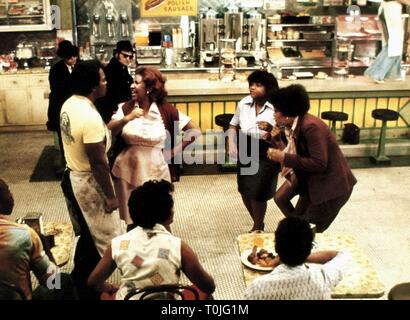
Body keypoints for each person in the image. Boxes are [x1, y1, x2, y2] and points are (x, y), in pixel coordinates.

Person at [59, 60, 125, 300]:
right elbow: (98, 162)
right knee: (105, 239)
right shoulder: (88, 116)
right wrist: (110, 196)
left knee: (88, 234)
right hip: (88, 182)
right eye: (103, 79)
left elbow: (102, 135)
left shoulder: (70, 104)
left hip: (72, 175)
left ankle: (84, 279)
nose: (106, 82)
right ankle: (88, 286)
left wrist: (125, 120)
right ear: (93, 85)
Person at [87, 179, 215, 300]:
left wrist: (109, 287)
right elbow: (208, 286)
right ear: (169, 214)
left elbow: (93, 282)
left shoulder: (117, 244)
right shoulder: (178, 246)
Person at [108, 67, 201, 229]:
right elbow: (108, 131)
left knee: (160, 218)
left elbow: (195, 131)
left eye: (136, 83)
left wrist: (174, 151)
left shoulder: (166, 110)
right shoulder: (125, 108)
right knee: (133, 219)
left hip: (156, 169)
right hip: (128, 169)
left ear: (149, 88)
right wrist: (127, 119)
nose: (131, 85)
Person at [267, 84, 357, 233]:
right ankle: (298, 234)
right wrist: (276, 141)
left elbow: (319, 163)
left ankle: (302, 238)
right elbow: (294, 153)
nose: (273, 115)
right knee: (295, 220)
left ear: (288, 113)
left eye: (276, 111)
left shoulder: (310, 127)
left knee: (305, 232)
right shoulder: (295, 126)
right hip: (312, 182)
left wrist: (284, 157)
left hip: (330, 188)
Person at [0, 178, 76, 300]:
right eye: (8, 190)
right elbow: (52, 281)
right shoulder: (23, 235)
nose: (11, 194)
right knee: (63, 280)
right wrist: (43, 245)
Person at [243, 217, 350, 300]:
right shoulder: (323, 278)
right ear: (309, 249)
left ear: (276, 247)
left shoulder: (258, 287)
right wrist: (301, 255)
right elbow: (343, 255)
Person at [227, 70, 280, 232]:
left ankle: (257, 226)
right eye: (251, 84)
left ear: (269, 88)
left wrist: (273, 133)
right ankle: (258, 222)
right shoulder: (243, 103)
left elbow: (283, 132)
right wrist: (231, 143)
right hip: (245, 144)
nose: (252, 88)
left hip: (267, 149)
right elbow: (233, 125)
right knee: (244, 189)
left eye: (258, 85)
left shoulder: (276, 107)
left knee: (258, 192)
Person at [46, 40, 79, 174]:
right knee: (63, 136)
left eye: (74, 56)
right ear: (64, 57)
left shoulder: (80, 66)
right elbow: (57, 91)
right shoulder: (56, 70)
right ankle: (66, 164)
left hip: (77, 106)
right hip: (60, 107)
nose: (73, 59)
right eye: (70, 57)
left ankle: (76, 162)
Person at [364, 0, 410, 83]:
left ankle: (392, 75)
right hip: (391, 9)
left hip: (386, 9)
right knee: (394, 45)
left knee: (393, 44)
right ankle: (377, 74)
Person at [95, 40, 135, 123]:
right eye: (125, 56)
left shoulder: (121, 66)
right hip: (113, 111)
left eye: (130, 57)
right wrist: (115, 109)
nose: (128, 59)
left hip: (119, 108)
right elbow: (110, 93)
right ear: (117, 54)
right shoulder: (113, 69)